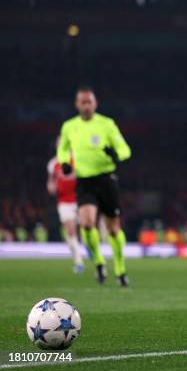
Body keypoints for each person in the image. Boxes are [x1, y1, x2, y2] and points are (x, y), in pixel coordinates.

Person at [57, 86, 132, 286]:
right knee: (87, 223)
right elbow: (62, 149)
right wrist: (64, 162)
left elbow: (125, 149)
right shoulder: (69, 126)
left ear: (95, 103)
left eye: (90, 101)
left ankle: (120, 268)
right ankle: (99, 262)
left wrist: (116, 155)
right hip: (84, 181)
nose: (87, 105)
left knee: (113, 229)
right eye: (83, 102)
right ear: (77, 104)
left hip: (106, 179)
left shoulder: (107, 124)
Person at [47, 139, 84, 274]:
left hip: (80, 200)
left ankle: (89, 248)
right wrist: (51, 187)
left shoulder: (77, 160)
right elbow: (51, 183)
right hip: (64, 202)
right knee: (70, 231)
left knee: (86, 228)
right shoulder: (53, 164)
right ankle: (79, 261)